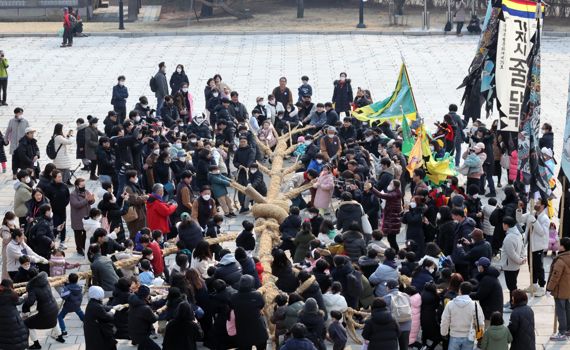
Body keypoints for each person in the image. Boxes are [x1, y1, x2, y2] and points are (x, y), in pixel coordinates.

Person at [516, 198, 549, 296]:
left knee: (539, 266)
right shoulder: (532, 213)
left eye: (538, 203)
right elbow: (520, 219)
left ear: (543, 206)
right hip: (531, 244)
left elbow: (542, 232)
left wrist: (534, 221)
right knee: (531, 265)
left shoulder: (545, 218)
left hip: (538, 246)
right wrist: (519, 209)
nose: (536, 204)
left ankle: (542, 287)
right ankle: (534, 284)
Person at [440, 282, 485, 350]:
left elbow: (445, 320)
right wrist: (478, 335)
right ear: (470, 291)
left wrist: (444, 333)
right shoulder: (475, 305)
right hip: (469, 336)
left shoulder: (450, 304)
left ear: (459, 290)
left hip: (454, 335)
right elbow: (480, 322)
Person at [22, 269, 59, 349]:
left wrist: (25, 303)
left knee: (27, 323)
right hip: (54, 306)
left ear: (29, 276)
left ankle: (36, 344)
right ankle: (60, 336)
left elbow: (30, 302)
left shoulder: (32, 286)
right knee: (54, 319)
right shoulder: (45, 280)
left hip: (46, 312)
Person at [230, 275, 268, 350]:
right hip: (258, 327)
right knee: (261, 346)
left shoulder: (234, 296)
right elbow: (261, 305)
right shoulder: (257, 295)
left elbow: (231, 306)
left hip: (242, 328)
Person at [500, 216, 526, 312]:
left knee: (512, 287)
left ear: (506, 225)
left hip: (510, 266)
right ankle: (512, 301)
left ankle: (513, 305)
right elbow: (523, 247)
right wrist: (523, 258)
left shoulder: (509, 238)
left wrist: (520, 260)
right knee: (512, 285)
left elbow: (511, 254)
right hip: (515, 265)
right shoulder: (518, 234)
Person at [368, 179, 402, 251]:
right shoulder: (394, 193)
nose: (389, 185)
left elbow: (381, 195)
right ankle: (395, 252)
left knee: (392, 240)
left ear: (395, 186)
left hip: (392, 220)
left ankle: (395, 253)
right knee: (391, 239)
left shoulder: (394, 194)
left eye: (391, 184)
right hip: (392, 219)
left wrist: (371, 188)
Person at [547, 237, 570, 341]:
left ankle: (562, 332)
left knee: (561, 311)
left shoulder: (560, 260)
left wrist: (549, 288)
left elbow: (555, 277)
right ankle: (568, 330)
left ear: (563, 247)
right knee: (568, 309)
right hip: (568, 289)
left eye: (559, 244)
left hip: (560, 290)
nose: (557, 245)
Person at [470, 257, 503, 326]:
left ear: (482, 267)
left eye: (478, 266)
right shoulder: (489, 276)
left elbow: (479, 295)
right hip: (493, 309)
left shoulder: (487, 279)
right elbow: (480, 287)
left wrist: (467, 294)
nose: (477, 268)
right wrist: (468, 287)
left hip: (490, 313)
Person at [84, 286, 119, 350]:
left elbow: (103, 307)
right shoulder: (96, 306)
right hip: (97, 332)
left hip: (92, 330)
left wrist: (113, 307)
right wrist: (113, 311)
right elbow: (108, 317)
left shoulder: (92, 302)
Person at [44, 170, 70, 250]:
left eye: (61, 176)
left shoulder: (64, 186)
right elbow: (46, 199)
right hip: (54, 211)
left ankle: (62, 241)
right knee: (54, 226)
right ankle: (53, 241)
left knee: (63, 225)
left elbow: (68, 196)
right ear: (54, 178)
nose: (60, 178)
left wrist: (64, 204)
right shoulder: (49, 187)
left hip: (62, 210)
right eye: (59, 177)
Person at [0, 279, 29, 349]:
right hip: (14, 320)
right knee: (17, 337)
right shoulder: (11, 294)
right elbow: (19, 301)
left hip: (2, 322)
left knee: (6, 339)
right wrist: (25, 296)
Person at [128, 285, 159, 350]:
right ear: (146, 296)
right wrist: (157, 313)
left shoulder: (133, 300)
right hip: (142, 334)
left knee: (142, 347)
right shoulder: (145, 308)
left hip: (133, 331)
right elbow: (154, 319)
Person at [55, 273, 84, 343]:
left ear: (68, 280)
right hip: (77, 304)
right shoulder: (80, 286)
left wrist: (65, 287)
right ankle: (86, 321)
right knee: (79, 311)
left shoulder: (67, 288)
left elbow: (63, 296)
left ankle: (64, 331)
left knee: (60, 316)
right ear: (77, 280)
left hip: (68, 306)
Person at [70, 178, 95, 255]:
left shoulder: (86, 191)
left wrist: (92, 199)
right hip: (77, 217)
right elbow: (76, 205)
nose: (84, 186)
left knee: (85, 232)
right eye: (82, 185)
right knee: (78, 234)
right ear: (77, 186)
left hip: (86, 216)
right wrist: (86, 200)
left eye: (84, 185)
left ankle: (84, 246)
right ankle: (79, 248)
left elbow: (91, 202)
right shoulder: (73, 194)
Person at [124, 170, 148, 238]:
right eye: (135, 176)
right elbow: (134, 200)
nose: (136, 178)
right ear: (131, 178)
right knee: (135, 232)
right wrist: (144, 197)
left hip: (140, 212)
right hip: (135, 214)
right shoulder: (128, 188)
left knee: (141, 231)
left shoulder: (134, 185)